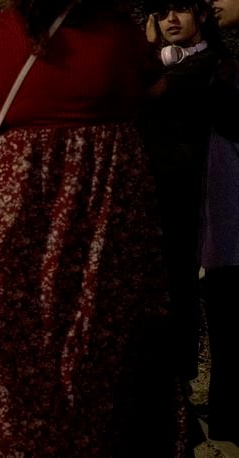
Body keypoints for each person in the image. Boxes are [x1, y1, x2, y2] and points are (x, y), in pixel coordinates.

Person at [0, 1, 188, 455]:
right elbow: (155, 90)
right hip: (112, 195)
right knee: (105, 323)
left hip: (26, 195)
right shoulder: (117, 29)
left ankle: (36, 439)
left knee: (27, 327)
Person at [141, 0, 221, 383]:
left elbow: (148, 95)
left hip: (186, 194)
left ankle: (178, 384)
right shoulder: (171, 62)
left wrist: (144, 51)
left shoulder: (209, 65)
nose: (170, 20)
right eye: (162, 13)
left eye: (181, 10)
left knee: (177, 287)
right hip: (161, 193)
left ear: (201, 15)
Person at [201, 0, 239, 444]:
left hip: (228, 221)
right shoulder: (217, 58)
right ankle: (226, 415)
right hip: (222, 223)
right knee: (226, 317)